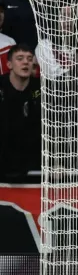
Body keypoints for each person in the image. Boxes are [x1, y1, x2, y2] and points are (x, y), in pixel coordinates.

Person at [0, 44, 41, 181]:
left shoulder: (41, 89)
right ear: (9, 64)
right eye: (20, 58)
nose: (26, 62)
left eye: (30, 59)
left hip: (33, 163)